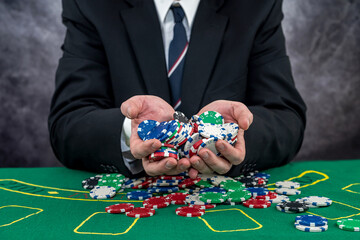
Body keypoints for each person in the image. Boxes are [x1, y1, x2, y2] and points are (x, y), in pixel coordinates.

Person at [48, 0, 306, 179]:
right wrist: (130, 134)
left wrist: (233, 135)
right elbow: (68, 122)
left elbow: (286, 118)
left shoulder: (256, 6)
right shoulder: (91, 5)